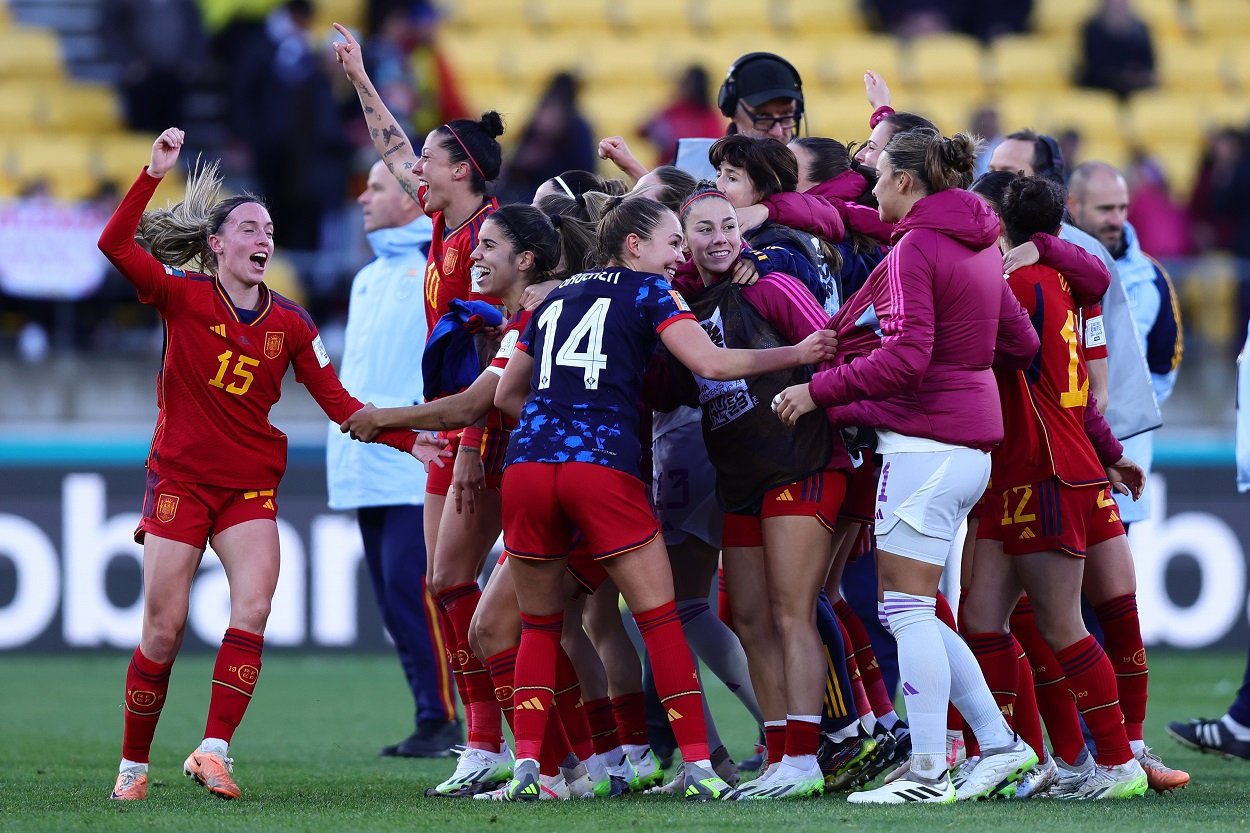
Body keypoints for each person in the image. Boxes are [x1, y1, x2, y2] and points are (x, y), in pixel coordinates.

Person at [100, 128, 436, 801]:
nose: (264, 237)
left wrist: (411, 439)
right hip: (181, 482)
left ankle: (213, 749)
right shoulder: (181, 295)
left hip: (249, 487)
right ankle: (133, 768)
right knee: (162, 631)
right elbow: (114, 246)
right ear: (217, 244)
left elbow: (343, 405)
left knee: (253, 607)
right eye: (249, 227)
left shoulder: (293, 324)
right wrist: (151, 173)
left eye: (270, 229)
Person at [489, 195, 838, 802]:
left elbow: (505, 398)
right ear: (633, 245)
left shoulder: (552, 298)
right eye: (673, 241)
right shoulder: (652, 292)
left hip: (526, 466)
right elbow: (708, 362)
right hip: (600, 468)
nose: (680, 255)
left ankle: (532, 772)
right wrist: (796, 354)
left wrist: (556, 423)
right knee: (661, 618)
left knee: (541, 627)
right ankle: (700, 765)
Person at [773, 128, 1042, 803]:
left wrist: (816, 390)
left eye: (880, 172)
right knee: (911, 606)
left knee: (908, 611)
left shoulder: (919, 245)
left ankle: (927, 772)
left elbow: (907, 358)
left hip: (925, 446)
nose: (871, 184)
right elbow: (1020, 341)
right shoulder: (980, 242)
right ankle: (1002, 744)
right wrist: (965, 363)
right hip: (967, 447)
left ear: (906, 181)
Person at [334, 22, 510, 763]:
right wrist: (361, 79)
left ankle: (557, 745)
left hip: (490, 422)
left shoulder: (495, 238)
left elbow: (496, 351)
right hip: (452, 425)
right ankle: (483, 742)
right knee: (445, 581)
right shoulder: (445, 224)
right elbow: (391, 148)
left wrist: (467, 437)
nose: (415, 172)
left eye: (430, 160)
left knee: (505, 594)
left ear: (462, 170)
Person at [960, 174, 1150, 800]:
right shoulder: (1053, 280)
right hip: (1025, 469)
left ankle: (1118, 761)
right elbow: (1062, 386)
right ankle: (1019, 754)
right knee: (983, 622)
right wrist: (1114, 454)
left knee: (1062, 624)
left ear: (999, 223)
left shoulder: (1015, 284)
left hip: (1042, 471)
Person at [325, 160, 460, 758]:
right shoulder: (366, 277)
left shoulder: (435, 268)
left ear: (412, 201)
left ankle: (448, 717)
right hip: (363, 462)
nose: (363, 197)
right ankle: (430, 714)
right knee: (393, 600)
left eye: (377, 187)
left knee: (418, 590)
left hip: (412, 459)